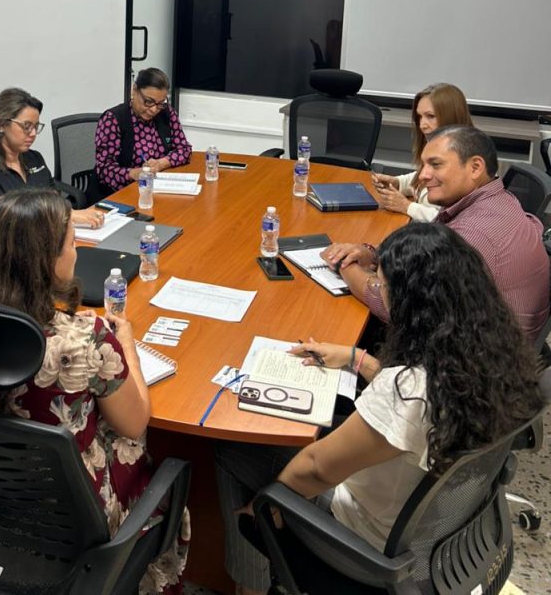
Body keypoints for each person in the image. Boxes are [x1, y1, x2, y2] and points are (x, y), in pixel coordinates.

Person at [216, 223, 544, 595]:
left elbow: (316, 468)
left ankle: (250, 582)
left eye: (381, 284)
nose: (378, 290)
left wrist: (267, 508)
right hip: (427, 531)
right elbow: (413, 409)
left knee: (233, 448)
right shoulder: (490, 353)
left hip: (361, 548)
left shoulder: (408, 392)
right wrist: (357, 359)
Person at [0, 188, 190, 594]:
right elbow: (135, 423)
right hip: (76, 513)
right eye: (71, 243)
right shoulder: (87, 340)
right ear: (46, 260)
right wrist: (126, 348)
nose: (77, 252)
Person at [324, 126, 550, 342]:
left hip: (476, 359)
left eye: (436, 164)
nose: (423, 175)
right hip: (488, 338)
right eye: (423, 165)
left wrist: (346, 265)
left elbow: (396, 306)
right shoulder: (497, 200)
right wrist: (372, 254)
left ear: (475, 167)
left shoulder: (471, 236)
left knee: (336, 327)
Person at [0, 86, 105, 228]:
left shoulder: (34, 158)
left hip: (47, 234)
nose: (33, 133)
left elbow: (55, 201)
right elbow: (8, 219)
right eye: (26, 126)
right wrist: (67, 215)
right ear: (1, 124)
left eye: (36, 126)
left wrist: (72, 214)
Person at [371, 82, 472, 221]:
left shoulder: (466, 160)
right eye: (420, 117)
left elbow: (452, 221)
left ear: (451, 116)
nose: (422, 125)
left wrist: (407, 206)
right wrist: (398, 182)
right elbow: (427, 177)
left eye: (430, 116)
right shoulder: (441, 145)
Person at [94, 67, 193, 198]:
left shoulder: (167, 113)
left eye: (160, 103)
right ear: (134, 90)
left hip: (153, 192)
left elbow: (184, 149)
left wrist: (161, 163)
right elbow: (104, 170)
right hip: (117, 195)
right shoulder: (113, 119)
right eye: (148, 101)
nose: (154, 110)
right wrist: (134, 173)